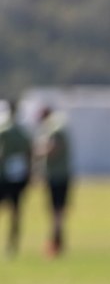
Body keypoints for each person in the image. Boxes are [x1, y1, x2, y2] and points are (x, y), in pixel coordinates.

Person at [34, 106, 74, 257]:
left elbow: (53, 149)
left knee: (56, 211)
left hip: (56, 176)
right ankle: (57, 241)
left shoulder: (54, 129)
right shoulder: (59, 127)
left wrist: (37, 152)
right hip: (62, 175)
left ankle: (56, 242)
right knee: (58, 211)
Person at [0, 101, 33, 257]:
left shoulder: (4, 130)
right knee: (15, 212)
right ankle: (12, 244)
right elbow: (29, 154)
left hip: (3, 176)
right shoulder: (22, 132)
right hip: (19, 177)